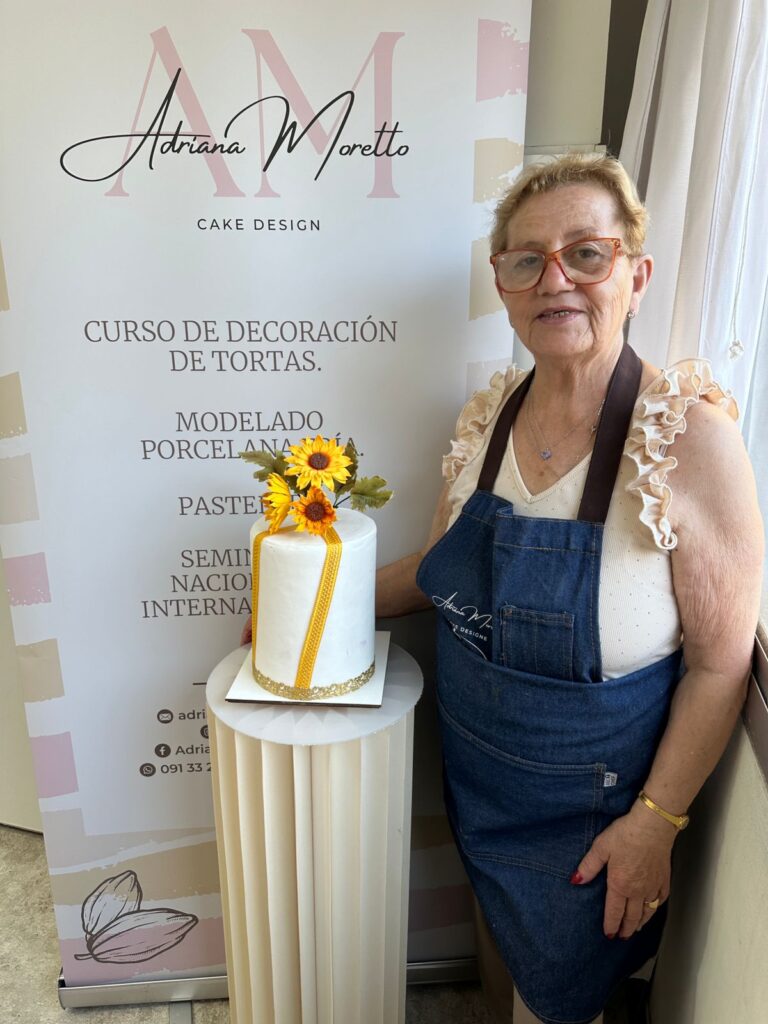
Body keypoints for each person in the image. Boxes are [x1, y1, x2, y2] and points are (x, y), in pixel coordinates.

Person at [375, 154, 763, 1024]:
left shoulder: (688, 439)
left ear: (637, 275)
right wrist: (311, 600)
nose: (555, 280)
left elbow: (721, 664)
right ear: (504, 287)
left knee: (559, 1005)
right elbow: (438, 569)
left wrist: (656, 821)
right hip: (477, 782)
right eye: (528, 260)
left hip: (594, 825)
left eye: (586, 253)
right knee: (501, 978)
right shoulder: (489, 416)